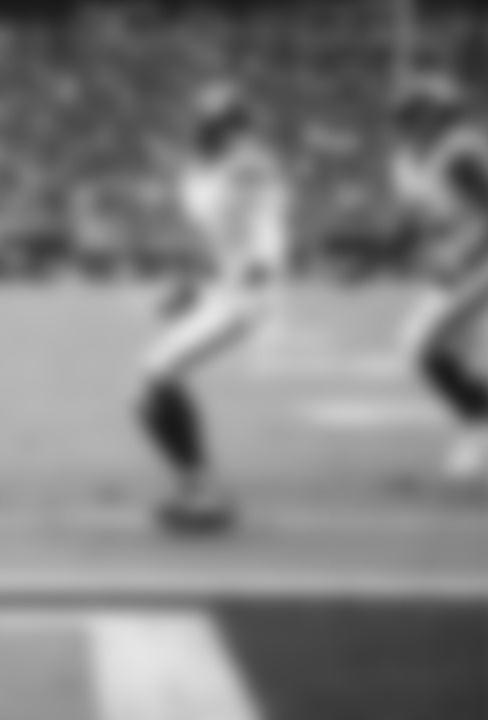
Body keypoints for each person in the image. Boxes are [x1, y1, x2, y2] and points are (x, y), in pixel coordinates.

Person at [136, 83, 293, 534]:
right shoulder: (205, 169)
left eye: (217, 123)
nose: (207, 131)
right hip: (229, 287)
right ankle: (196, 485)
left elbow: (265, 220)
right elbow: (222, 237)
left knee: (158, 374)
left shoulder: (245, 163)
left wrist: (262, 263)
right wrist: (193, 285)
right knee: (156, 380)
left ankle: (203, 491)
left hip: (247, 293)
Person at [390, 75, 488, 489]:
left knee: (423, 344)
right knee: (447, 353)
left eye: (422, 116)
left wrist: (466, 258)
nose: (413, 125)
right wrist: (370, 261)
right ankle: (487, 430)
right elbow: (412, 224)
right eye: (408, 117)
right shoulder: (410, 158)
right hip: (458, 264)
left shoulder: (461, 153)